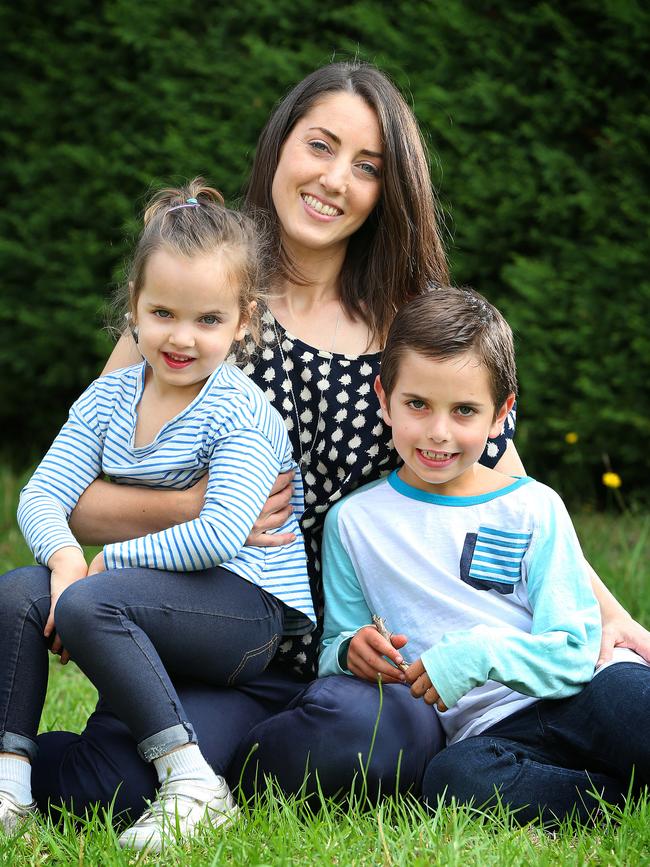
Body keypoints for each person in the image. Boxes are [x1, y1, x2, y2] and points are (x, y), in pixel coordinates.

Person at [30, 61, 650, 819]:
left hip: (344, 665)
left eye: (367, 167)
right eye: (320, 145)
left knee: (386, 736)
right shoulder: (198, 297)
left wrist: (608, 613)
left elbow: (501, 482)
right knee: (109, 789)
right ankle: (180, 756)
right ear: (280, 144)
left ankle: (237, 767)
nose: (335, 179)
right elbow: (79, 499)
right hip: (208, 630)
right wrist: (202, 504)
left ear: (389, 191)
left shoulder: (405, 323)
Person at [0, 180, 316, 849]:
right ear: (134, 312)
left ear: (243, 321)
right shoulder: (111, 397)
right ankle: (11, 782)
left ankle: (193, 782)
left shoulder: (241, 409)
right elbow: (40, 494)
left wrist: (109, 561)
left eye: (207, 320)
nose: (182, 337)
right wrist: (63, 562)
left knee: (89, 603)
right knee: (20, 592)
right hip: (147, 599)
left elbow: (222, 531)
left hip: (245, 611)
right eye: (163, 312)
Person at [320, 287, 650, 824]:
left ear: (501, 414)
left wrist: (480, 655)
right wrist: (348, 652)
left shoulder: (533, 507)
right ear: (384, 397)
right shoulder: (353, 522)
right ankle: (618, 800)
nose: (438, 432)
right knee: (453, 780)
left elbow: (574, 653)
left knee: (633, 706)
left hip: (590, 693)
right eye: (417, 404)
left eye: (465, 410)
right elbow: (335, 642)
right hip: (492, 731)